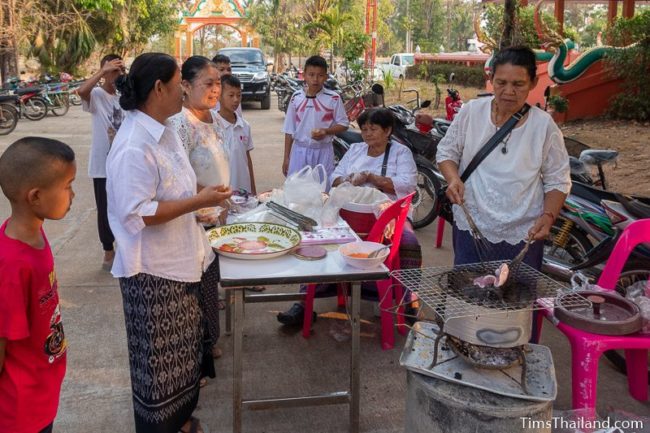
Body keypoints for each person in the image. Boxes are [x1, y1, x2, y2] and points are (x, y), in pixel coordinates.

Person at [107, 52, 232, 433]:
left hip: (182, 265)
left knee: (183, 363)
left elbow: (179, 179)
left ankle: (182, 422)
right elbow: (137, 213)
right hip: (154, 275)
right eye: (180, 83)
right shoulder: (133, 145)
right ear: (159, 87)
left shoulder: (163, 129)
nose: (183, 90)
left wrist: (204, 193)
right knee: (159, 371)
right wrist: (199, 201)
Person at [278, 108, 422, 326]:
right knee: (315, 241)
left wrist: (374, 179)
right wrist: (349, 179)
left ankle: (407, 300)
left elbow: (407, 184)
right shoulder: (355, 149)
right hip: (349, 214)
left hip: (388, 216)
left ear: (388, 130)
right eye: (364, 129)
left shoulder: (400, 153)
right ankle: (303, 304)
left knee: (409, 242)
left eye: (373, 129)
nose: (368, 134)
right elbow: (335, 178)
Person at [436, 46, 571, 269]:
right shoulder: (471, 112)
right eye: (501, 83)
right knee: (468, 294)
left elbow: (558, 179)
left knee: (515, 298)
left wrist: (548, 217)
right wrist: (453, 179)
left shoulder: (543, 126)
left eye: (518, 84)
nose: (508, 91)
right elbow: (447, 152)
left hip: (522, 232)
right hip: (472, 223)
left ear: (533, 83)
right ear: (491, 79)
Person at [0, 137, 75, 433]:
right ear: (35, 197)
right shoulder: (11, 265)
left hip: (42, 393)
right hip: (19, 411)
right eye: (67, 186)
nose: (73, 194)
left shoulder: (35, 235)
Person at [169, 55, 229, 365]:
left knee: (209, 283)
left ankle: (209, 343)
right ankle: (196, 354)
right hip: (192, 217)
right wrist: (202, 200)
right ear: (186, 86)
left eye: (218, 82)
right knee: (194, 287)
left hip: (216, 216)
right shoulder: (180, 124)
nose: (215, 89)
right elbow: (176, 176)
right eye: (208, 83)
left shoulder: (216, 120)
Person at [77, 54, 125, 270]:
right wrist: (102, 72)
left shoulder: (124, 96)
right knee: (104, 209)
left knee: (125, 206)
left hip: (123, 161)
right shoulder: (96, 94)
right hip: (102, 164)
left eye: (120, 70)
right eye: (113, 70)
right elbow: (81, 91)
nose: (117, 75)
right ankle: (108, 250)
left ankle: (125, 246)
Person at [281, 55, 349, 179]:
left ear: (326, 77)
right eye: (311, 75)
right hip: (299, 151)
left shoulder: (333, 98)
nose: (315, 79)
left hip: (324, 152)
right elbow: (289, 130)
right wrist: (286, 158)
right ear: (304, 75)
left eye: (320, 75)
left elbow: (344, 124)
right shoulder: (296, 98)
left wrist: (326, 131)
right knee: (297, 190)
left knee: (322, 190)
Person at [216, 74, 256, 194]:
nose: (236, 100)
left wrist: (253, 189)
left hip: (244, 189)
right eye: (231, 95)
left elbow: (247, 159)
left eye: (239, 95)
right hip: (222, 190)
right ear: (218, 96)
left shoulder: (245, 126)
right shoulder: (213, 125)